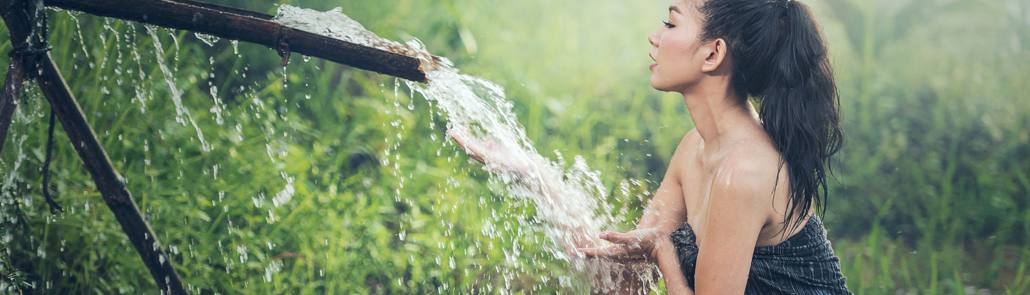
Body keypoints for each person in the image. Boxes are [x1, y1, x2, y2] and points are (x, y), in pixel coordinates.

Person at [450, 0, 851, 293]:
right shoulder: (695, 148)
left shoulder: (742, 171)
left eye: (670, 23)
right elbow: (617, 281)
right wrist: (535, 174)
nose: (655, 36)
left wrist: (663, 249)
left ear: (713, 54)